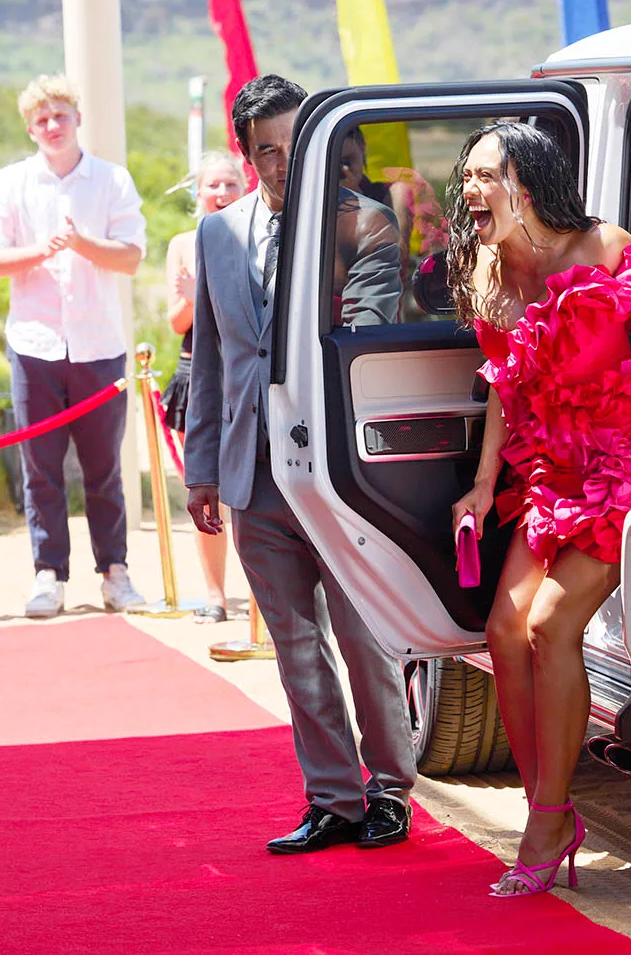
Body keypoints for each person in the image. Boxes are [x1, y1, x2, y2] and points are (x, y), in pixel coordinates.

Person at [184, 75, 416, 853]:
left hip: (339, 477)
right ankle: (333, 799)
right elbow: (211, 359)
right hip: (252, 474)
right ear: (247, 156)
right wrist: (202, 468)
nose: (282, 163)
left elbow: (367, 338)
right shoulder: (216, 234)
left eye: (293, 144)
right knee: (295, 647)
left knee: (362, 637)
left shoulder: (363, 223)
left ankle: (389, 789)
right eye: (267, 151)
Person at [447, 121, 631, 897]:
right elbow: (504, 385)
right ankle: (546, 805)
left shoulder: (602, 247)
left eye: (487, 175)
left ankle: (547, 823)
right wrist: (485, 481)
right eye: (467, 177)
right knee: (503, 632)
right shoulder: (489, 274)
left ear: (529, 181)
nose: (471, 190)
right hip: (554, 469)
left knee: (548, 624)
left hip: (627, 463)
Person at [0, 74, 148, 618]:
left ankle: (115, 572)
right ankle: (48, 573)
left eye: (60, 116)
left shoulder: (111, 179)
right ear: (30, 128)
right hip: (35, 344)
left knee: (104, 469)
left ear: (77, 119)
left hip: (99, 345)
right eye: (41, 119)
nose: (52, 126)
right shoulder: (11, 182)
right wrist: (42, 251)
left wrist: (81, 243)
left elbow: (131, 256)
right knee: (40, 468)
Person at [162, 151, 245, 622]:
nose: (222, 193)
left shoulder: (256, 235)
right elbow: (177, 321)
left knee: (251, 494)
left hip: (244, 375)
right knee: (203, 490)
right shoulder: (182, 243)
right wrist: (198, 293)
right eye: (213, 185)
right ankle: (215, 596)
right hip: (196, 374)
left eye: (230, 184)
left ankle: (261, 602)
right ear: (199, 193)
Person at [336, 126, 415, 285]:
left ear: (363, 149)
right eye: (335, 165)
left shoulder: (392, 195)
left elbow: (394, 259)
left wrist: (353, 200)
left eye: (348, 161)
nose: (344, 171)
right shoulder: (313, 200)